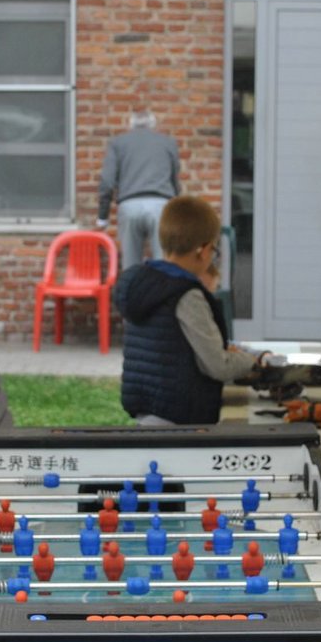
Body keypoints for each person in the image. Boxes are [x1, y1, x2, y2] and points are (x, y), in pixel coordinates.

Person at [115, 195, 268, 425]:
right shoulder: (186, 296)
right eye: (214, 250)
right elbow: (217, 365)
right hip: (181, 418)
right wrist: (254, 363)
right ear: (203, 250)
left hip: (146, 412)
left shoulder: (141, 282)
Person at [97, 110, 181, 269]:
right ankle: (162, 294)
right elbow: (174, 180)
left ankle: (133, 293)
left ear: (131, 125)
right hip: (161, 205)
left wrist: (103, 216)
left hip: (129, 204)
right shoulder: (168, 143)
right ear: (153, 125)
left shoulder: (118, 143)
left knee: (130, 267)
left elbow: (107, 182)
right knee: (164, 265)